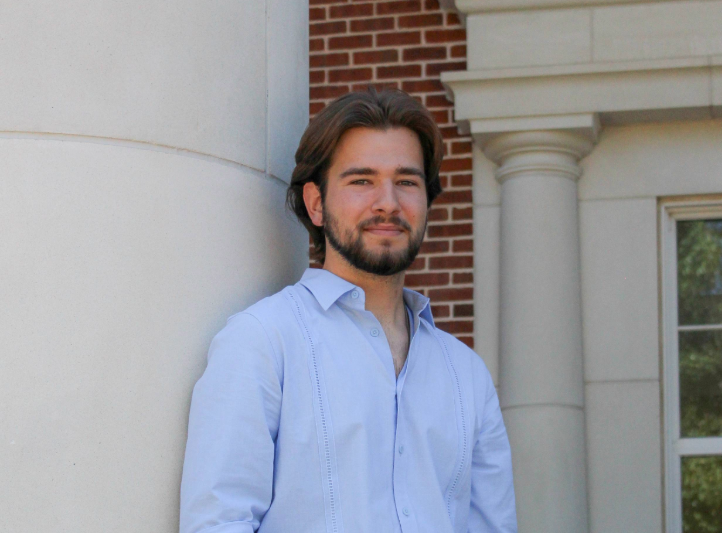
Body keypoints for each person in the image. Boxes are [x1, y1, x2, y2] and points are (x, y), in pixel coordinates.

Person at [179, 88, 517, 533]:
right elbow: (218, 523)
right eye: (361, 180)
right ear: (316, 203)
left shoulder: (466, 375)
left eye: (407, 182)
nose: (388, 203)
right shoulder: (262, 342)